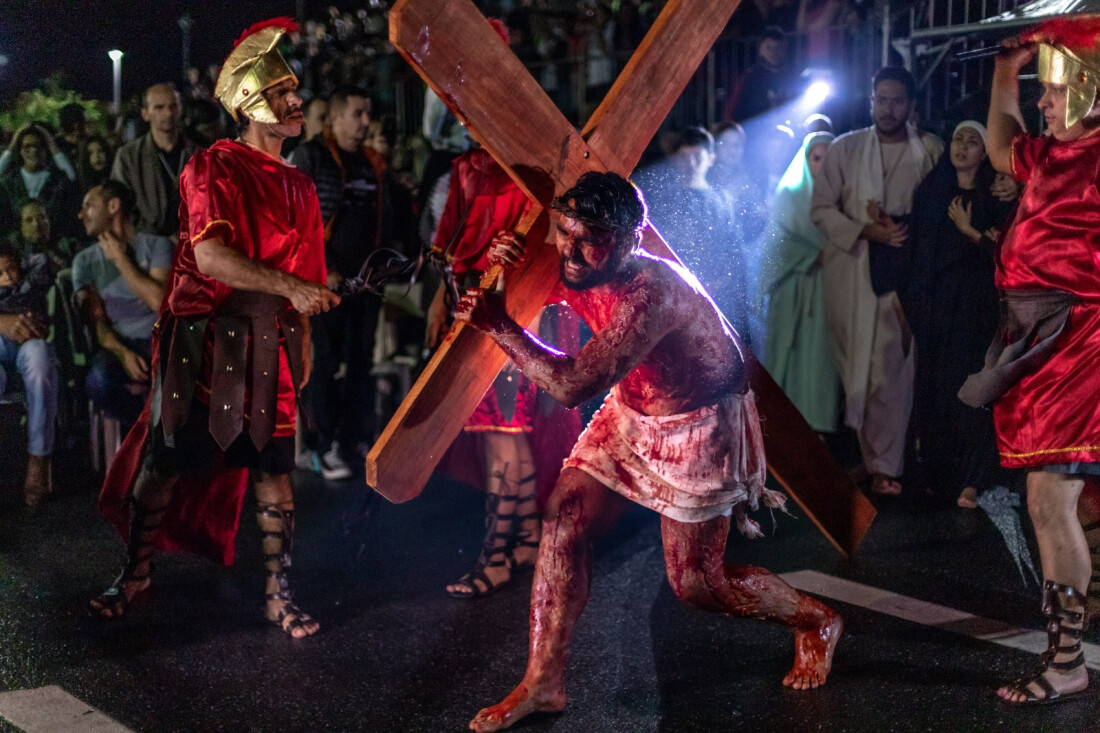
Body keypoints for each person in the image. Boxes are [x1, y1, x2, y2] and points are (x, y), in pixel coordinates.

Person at [457, 172, 842, 732]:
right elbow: (524, 279)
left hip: (700, 428)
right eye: (564, 231)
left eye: (589, 239)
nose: (571, 248)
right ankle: (543, 681)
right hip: (633, 412)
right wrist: (506, 260)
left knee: (697, 585)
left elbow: (570, 386)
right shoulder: (575, 259)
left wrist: (500, 327)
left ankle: (818, 621)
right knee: (564, 517)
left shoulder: (650, 293)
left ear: (628, 242)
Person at [87, 18, 338, 639]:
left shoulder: (301, 186)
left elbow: (306, 279)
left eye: (294, 89)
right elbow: (211, 258)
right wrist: (290, 290)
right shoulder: (211, 167)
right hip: (202, 343)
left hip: (269, 342)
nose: (296, 100)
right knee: (168, 463)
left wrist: (302, 341)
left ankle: (279, 595)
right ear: (253, 103)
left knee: (275, 470)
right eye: (283, 92)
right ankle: (136, 573)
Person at [961, 20, 1100, 705]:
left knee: (1050, 498)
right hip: (1034, 338)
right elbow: (999, 145)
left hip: (1083, 337)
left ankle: (1069, 659)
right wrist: (1005, 69)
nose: (1043, 103)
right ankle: (1072, 642)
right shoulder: (1048, 155)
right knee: (1052, 499)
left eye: (1050, 90)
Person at [427, 145, 580, 598]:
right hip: (478, 308)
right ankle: (529, 539)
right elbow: (451, 248)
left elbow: (548, 246)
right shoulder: (464, 167)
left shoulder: (535, 167)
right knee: (504, 432)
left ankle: (495, 558)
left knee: (503, 433)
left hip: (517, 311)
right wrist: (444, 301)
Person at [810, 66, 943, 497]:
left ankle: (888, 466)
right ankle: (871, 461)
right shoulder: (845, 149)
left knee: (891, 369)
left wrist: (900, 232)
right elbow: (822, 209)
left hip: (904, 278)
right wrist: (866, 230)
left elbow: (939, 211)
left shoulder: (930, 151)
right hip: (854, 275)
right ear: (870, 101)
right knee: (856, 368)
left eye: (897, 101)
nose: (888, 109)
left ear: (911, 104)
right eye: (880, 100)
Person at [905, 121, 1015, 507]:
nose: (963, 147)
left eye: (973, 141)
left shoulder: (996, 196)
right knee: (937, 389)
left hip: (979, 311)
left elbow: (1004, 253)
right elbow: (919, 253)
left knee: (975, 389)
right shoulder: (934, 192)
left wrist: (971, 232)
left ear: (985, 152)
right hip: (938, 311)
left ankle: (974, 479)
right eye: (958, 139)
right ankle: (937, 475)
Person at [290, 85, 396, 478]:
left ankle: (351, 441)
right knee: (325, 363)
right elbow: (299, 220)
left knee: (360, 365)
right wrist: (321, 268)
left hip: (366, 282)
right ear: (334, 117)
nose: (365, 121)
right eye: (357, 113)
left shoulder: (372, 161)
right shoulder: (312, 155)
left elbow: (381, 219)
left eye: (367, 113)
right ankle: (321, 446)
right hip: (325, 282)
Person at [73, 181, 172, 431]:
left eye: (89, 206)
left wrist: (120, 259)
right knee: (98, 381)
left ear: (113, 206)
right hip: (119, 344)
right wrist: (123, 353)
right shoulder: (84, 262)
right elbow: (98, 324)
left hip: (162, 341)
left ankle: (165, 444)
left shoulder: (158, 246)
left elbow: (160, 302)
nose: (81, 214)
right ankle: (145, 434)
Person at [641, 126, 752, 344]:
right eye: (684, 156)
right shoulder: (664, 202)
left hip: (716, 295)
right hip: (676, 297)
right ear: (674, 159)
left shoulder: (721, 202)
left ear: (710, 158)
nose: (690, 164)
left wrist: (719, 283)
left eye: (697, 156)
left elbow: (733, 251)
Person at [760, 131, 840, 433]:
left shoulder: (841, 196)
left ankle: (818, 425)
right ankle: (783, 425)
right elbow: (777, 244)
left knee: (821, 357)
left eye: (828, 158)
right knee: (790, 355)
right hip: (793, 286)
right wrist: (810, 255)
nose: (822, 165)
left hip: (828, 289)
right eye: (816, 158)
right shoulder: (789, 194)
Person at [0, 244, 57, 506]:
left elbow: (43, 267)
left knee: (40, 358)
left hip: (28, 341)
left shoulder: (33, 273)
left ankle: (38, 457)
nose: (8, 276)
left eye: (11, 269)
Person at [111, 83, 200, 237]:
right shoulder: (129, 157)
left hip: (193, 244)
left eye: (173, 106)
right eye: (159, 108)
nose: (168, 113)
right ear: (145, 114)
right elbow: (120, 205)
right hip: (147, 246)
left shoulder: (200, 155)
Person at [0, 124, 81, 238]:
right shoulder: (9, 182)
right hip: (17, 247)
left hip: (55, 242)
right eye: (27, 147)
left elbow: (71, 176)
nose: (34, 150)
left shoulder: (57, 181)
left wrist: (50, 141)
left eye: (39, 146)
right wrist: (13, 143)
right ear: (20, 151)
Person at [7, 199, 79, 273]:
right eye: (29, 220)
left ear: (49, 220)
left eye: (41, 217)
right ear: (21, 226)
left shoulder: (69, 246)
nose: (36, 224)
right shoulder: (13, 255)